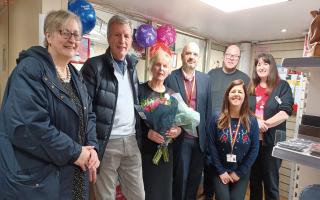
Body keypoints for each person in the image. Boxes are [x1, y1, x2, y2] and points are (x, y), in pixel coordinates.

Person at [0, 10, 99, 200]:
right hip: (40, 179)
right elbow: (30, 126)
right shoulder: (30, 69)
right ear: (48, 35)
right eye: (65, 32)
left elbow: (89, 114)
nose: (72, 39)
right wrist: (76, 152)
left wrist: (91, 147)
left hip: (74, 173)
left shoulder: (75, 75)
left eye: (76, 34)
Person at [81, 15, 144, 200]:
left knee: (138, 196)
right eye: (117, 35)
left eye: (126, 36)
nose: (122, 40)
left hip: (131, 141)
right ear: (109, 38)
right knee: (105, 197)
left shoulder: (132, 66)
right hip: (106, 144)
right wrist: (93, 146)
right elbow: (86, 111)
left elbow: (135, 103)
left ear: (131, 40)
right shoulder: (93, 66)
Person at [165, 42, 212, 200]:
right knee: (179, 180)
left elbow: (208, 111)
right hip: (180, 138)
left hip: (200, 141)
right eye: (188, 53)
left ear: (198, 58)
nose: (191, 57)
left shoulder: (206, 79)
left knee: (194, 180)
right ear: (182, 56)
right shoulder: (170, 77)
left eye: (195, 54)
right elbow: (164, 108)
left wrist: (208, 141)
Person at [204, 44, 250, 200]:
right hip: (212, 132)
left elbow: (249, 108)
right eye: (229, 55)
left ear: (239, 59)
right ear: (223, 56)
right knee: (210, 172)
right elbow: (205, 101)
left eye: (235, 56)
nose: (232, 58)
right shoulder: (211, 74)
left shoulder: (245, 79)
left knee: (229, 180)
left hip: (234, 134)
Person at [249, 53, 294, 200]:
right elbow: (244, 110)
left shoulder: (282, 86)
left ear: (272, 66)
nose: (261, 67)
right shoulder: (251, 87)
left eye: (265, 63)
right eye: (258, 64)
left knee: (271, 183)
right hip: (252, 141)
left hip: (272, 143)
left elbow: (286, 111)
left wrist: (265, 124)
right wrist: (256, 123)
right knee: (254, 182)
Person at [139, 46, 182, 200]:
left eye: (165, 66)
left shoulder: (172, 95)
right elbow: (133, 122)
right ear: (151, 66)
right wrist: (147, 132)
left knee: (164, 192)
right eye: (158, 64)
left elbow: (179, 123)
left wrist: (177, 131)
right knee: (146, 191)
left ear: (169, 70)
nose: (161, 69)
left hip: (165, 153)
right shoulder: (140, 90)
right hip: (145, 151)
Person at [207, 79, 259, 200]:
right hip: (219, 168)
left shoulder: (252, 121)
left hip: (241, 169)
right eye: (233, 91)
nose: (236, 94)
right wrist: (220, 171)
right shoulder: (216, 117)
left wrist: (239, 172)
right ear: (227, 95)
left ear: (245, 96)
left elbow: (255, 149)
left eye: (240, 92)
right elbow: (211, 145)